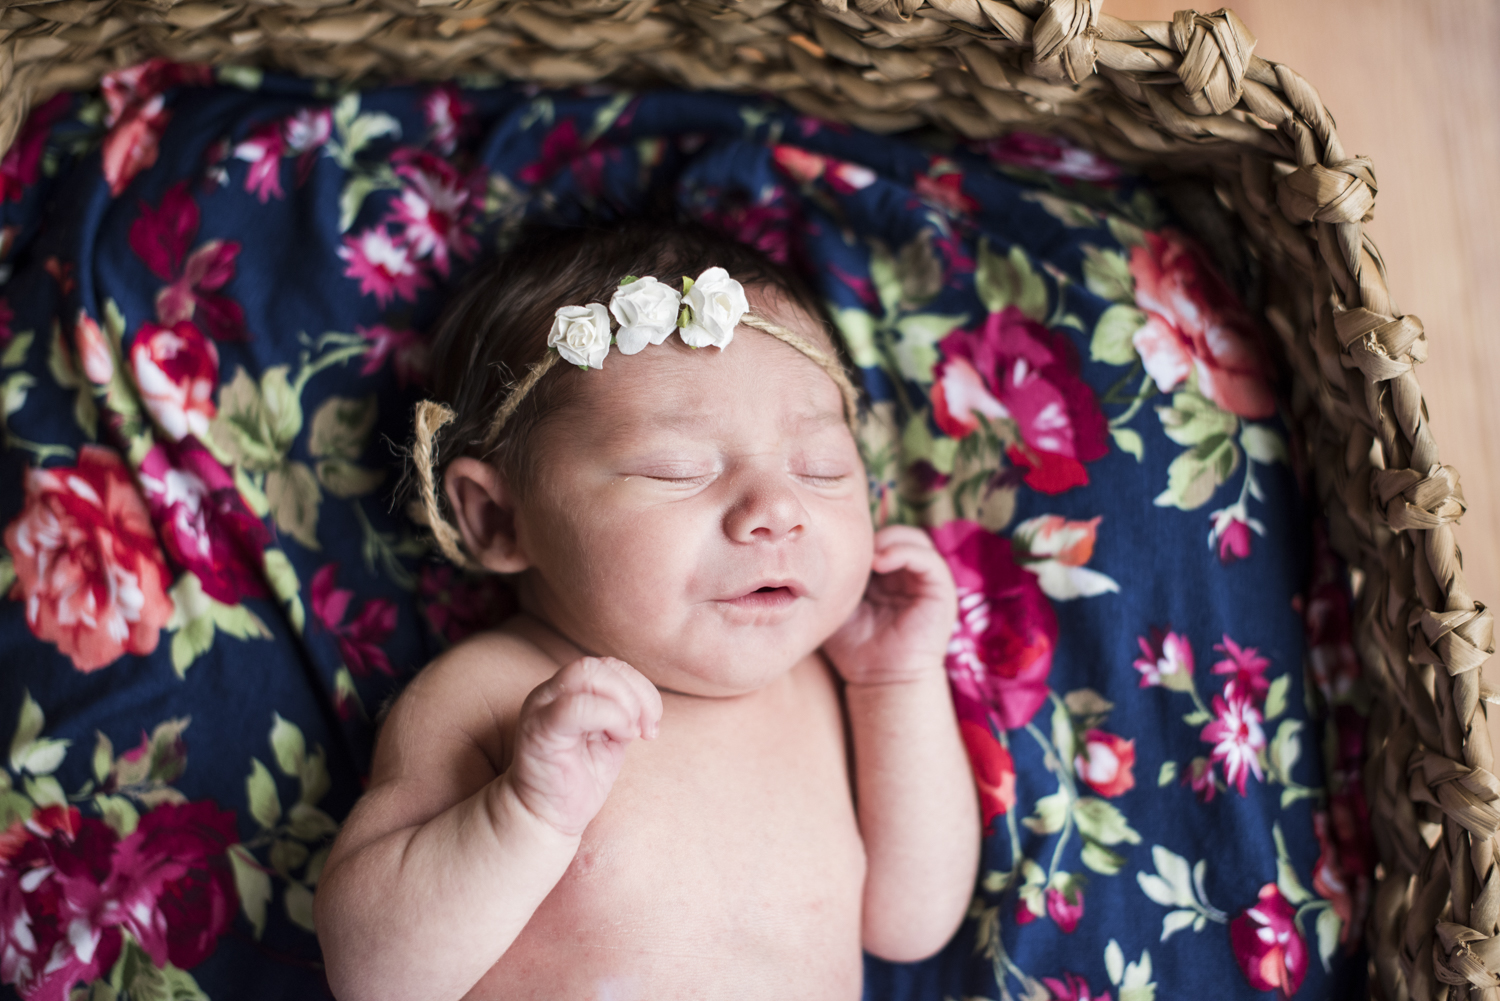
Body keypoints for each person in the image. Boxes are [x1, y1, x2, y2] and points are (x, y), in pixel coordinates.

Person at [313, 221, 981, 1001]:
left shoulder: (820, 690)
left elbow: (912, 921)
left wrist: (897, 682)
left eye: (822, 467)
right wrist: (524, 815)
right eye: (679, 469)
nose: (777, 508)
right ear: (499, 518)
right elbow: (375, 976)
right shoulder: (493, 693)